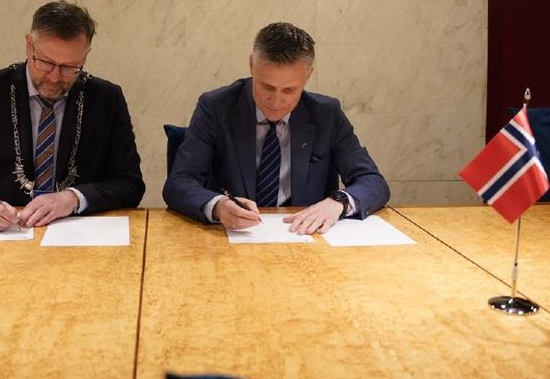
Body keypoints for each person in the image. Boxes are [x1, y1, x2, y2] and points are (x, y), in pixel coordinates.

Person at [0, 1, 145, 231]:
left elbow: (130, 184)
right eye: (46, 63)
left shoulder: (106, 99)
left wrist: (74, 198)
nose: (55, 77)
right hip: (0, 234)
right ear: (29, 46)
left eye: (70, 67)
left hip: (77, 233)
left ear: (85, 55)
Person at [163, 22, 389, 234]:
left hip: (303, 237)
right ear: (251, 65)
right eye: (267, 87)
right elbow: (179, 183)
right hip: (232, 239)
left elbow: (373, 181)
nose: (276, 101)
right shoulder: (215, 107)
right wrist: (217, 206)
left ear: (308, 75)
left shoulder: (326, 114)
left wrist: (338, 202)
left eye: (289, 90)